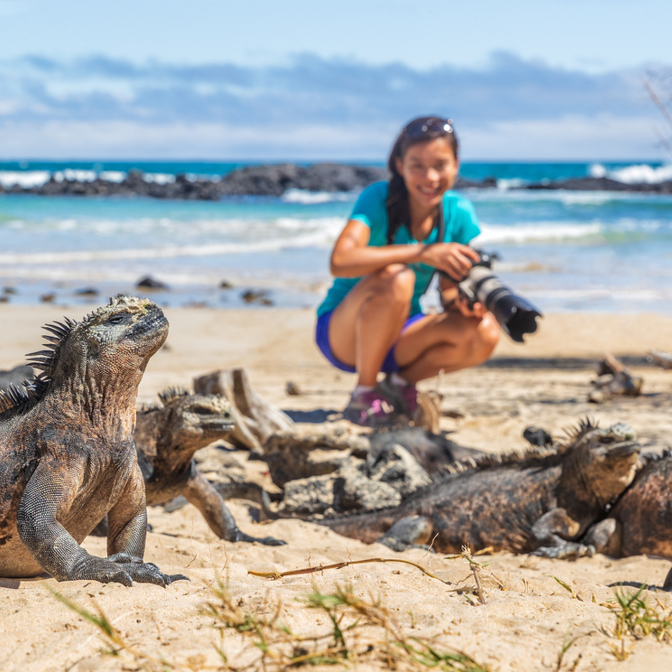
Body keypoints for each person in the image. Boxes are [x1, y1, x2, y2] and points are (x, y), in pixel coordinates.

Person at [315, 116, 500, 427]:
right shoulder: (378, 198)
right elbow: (340, 260)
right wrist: (424, 253)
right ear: (400, 165)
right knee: (399, 277)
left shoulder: (459, 214)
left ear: (455, 164)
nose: (429, 177)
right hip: (344, 333)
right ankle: (364, 391)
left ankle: (398, 385)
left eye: (440, 165)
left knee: (485, 331)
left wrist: (464, 305)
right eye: (417, 165)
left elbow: (448, 293)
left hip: (402, 336)